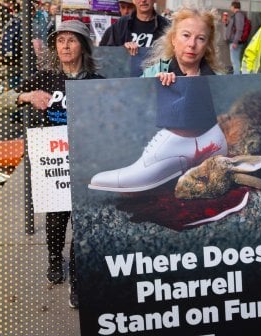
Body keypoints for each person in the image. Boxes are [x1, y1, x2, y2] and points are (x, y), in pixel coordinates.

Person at [0, 20, 103, 309]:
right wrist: (27, 96)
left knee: (82, 225)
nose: (66, 46)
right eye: (60, 41)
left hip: (85, 163)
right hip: (52, 164)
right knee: (57, 221)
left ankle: (78, 282)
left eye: (72, 40)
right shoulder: (45, 79)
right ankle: (55, 258)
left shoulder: (97, 82)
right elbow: (1, 102)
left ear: (83, 45)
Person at [89, 6, 227, 192]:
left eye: (200, 38)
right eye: (186, 35)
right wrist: (153, 84)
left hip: (209, 135)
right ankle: (170, 153)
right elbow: (133, 99)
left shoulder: (219, 78)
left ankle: (189, 147)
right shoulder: (154, 71)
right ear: (173, 39)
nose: (192, 44)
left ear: (207, 45)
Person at [98, 0, 170, 56]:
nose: (143, 0)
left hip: (155, 74)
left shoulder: (167, 26)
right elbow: (104, 52)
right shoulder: (121, 24)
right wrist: (122, 49)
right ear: (133, 1)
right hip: (127, 73)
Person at [225, 1, 246, 74]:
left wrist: (235, 42)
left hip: (235, 42)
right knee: (234, 60)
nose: (230, 8)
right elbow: (233, 27)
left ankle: (236, 77)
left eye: (231, 6)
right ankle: (236, 75)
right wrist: (226, 22)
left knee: (235, 61)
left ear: (234, 7)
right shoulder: (235, 15)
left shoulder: (238, 15)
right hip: (234, 41)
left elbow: (239, 29)